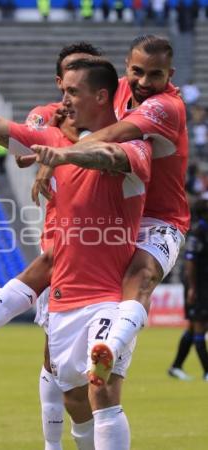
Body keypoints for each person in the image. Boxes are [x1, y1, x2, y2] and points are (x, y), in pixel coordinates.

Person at [0, 57, 152, 450]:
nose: (61, 101)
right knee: (72, 397)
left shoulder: (134, 144)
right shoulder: (51, 140)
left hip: (110, 301)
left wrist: (64, 157)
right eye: (62, 90)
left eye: (71, 92)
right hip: (65, 303)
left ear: (101, 96)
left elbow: (110, 158)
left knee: (105, 398)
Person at [32, 35, 190, 378]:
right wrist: (42, 129)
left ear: (170, 74)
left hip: (158, 217)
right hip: (113, 214)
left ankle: (109, 351)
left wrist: (59, 156)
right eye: (138, 71)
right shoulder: (113, 89)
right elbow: (57, 113)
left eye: (156, 74)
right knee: (56, 277)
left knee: (142, 274)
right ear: (126, 67)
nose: (145, 82)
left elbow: (118, 132)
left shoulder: (168, 105)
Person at [168, 198, 208, 382]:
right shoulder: (198, 232)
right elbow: (190, 261)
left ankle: (176, 367)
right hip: (197, 287)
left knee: (193, 328)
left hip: (201, 285)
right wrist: (192, 288)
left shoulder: (203, 229)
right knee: (200, 327)